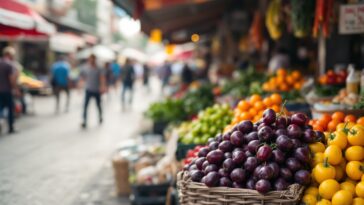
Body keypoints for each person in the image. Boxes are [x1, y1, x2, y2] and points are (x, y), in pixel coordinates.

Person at [79, 54, 106, 128]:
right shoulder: (85, 67)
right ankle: (84, 121)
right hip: (88, 89)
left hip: (97, 90)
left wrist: (102, 87)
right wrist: (80, 87)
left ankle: (100, 117)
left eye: (92, 59)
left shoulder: (99, 68)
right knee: (85, 106)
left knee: (98, 105)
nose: (91, 60)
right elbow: (82, 77)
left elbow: (102, 78)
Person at [0, 46, 19, 134]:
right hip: (7, 90)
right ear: (10, 55)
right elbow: (12, 80)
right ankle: (11, 127)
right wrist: (16, 89)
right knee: (10, 109)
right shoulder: (9, 65)